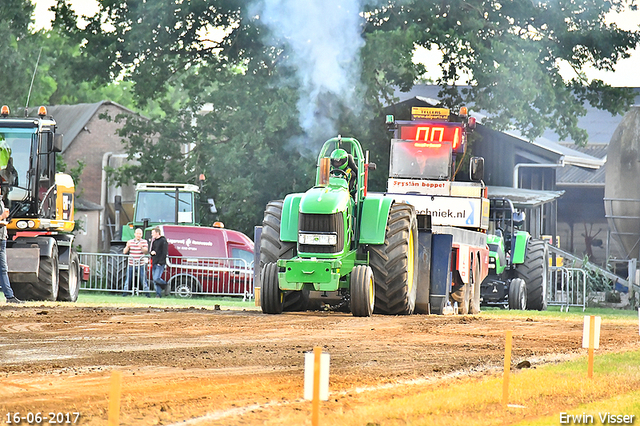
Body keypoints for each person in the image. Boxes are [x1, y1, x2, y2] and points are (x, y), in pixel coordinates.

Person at [0, 200, 22, 303]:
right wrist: (2, 216)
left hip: (2, 239)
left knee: (3, 269)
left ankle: (9, 296)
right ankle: (9, 296)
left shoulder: (1, 201)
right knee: (3, 268)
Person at [122, 228, 150, 297]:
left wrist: (141, 247)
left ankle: (147, 294)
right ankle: (125, 293)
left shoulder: (144, 242)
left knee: (143, 280)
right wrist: (127, 246)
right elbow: (124, 252)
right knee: (128, 280)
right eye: (137, 234)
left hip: (141, 264)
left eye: (140, 234)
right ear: (134, 234)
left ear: (142, 235)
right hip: (131, 264)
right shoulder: (130, 242)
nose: (138, 235)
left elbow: (146, 252)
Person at [149, 226, 169, 298]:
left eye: (153, 233)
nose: (152, 234)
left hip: (160, 263)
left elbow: (164, 252)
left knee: (156, 278)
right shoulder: (154, 241)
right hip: (154, 262)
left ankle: (165, 285)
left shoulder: (163, 241)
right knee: (155, 280)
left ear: (157, 233)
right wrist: (152, 252)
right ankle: (158, 294)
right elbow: (151, 250)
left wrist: (160, 262)